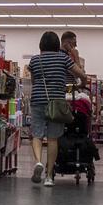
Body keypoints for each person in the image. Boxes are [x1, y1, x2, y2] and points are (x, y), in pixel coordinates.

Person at [28, 30, 90, 187]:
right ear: (57, 44)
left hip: (37, 100)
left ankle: (37, 162)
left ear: (41, 44)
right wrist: (81, 84)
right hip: (56, 102)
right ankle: (49, 176)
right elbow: (81, 75)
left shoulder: (35, 60)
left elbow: (34, 81)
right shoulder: (63, 58)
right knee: (53, 138)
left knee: (37, 135)